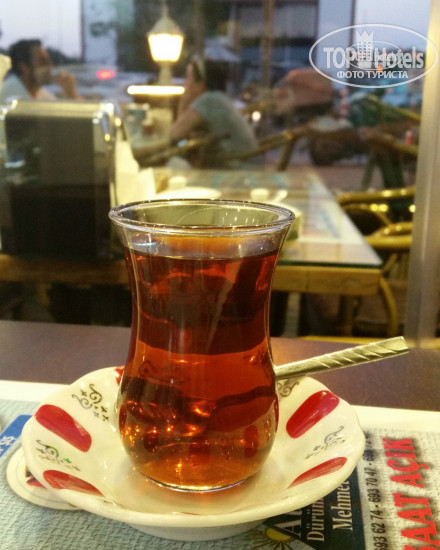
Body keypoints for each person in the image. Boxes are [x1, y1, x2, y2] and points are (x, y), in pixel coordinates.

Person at [170, 57, 260, 166]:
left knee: (174, 163)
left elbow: (174, 134)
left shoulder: (209, 100)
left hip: (238, 169)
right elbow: (182, 139)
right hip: (246, 164)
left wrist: (184, 100)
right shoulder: (218, 98)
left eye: (188, 78)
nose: (185, 84)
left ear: (200, 82)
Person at [0, 39, 82, 103]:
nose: (49, 66)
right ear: (23, 67)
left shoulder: (39, 93)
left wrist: (70, 92)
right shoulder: (11, 95)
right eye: (42, 61)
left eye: (49, 61)